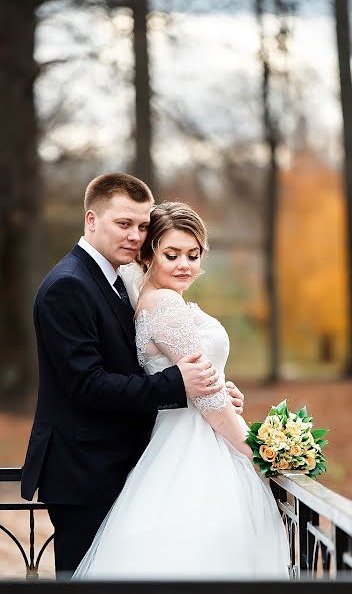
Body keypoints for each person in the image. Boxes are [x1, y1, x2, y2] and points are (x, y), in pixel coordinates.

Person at [20, 174, 244, 576]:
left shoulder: (120, 282)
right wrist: (180, 384)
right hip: (83, 472)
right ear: (92, 220)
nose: (135, 236)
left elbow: (135, 363)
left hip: (121, 462)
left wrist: (206, 390)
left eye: (142, 226)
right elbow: (86, 386)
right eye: (124, 224)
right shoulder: (68, 286)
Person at [73, 201, 289, 580]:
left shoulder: (151, 301)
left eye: (193, 254)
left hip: (180, 433)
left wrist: (222, 387)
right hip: (195, 446)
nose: (184, 265)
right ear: (148, 254)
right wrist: (261, 454)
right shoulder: (167, 305)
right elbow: (207, 400)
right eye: (171, 254)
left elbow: (196, 382)